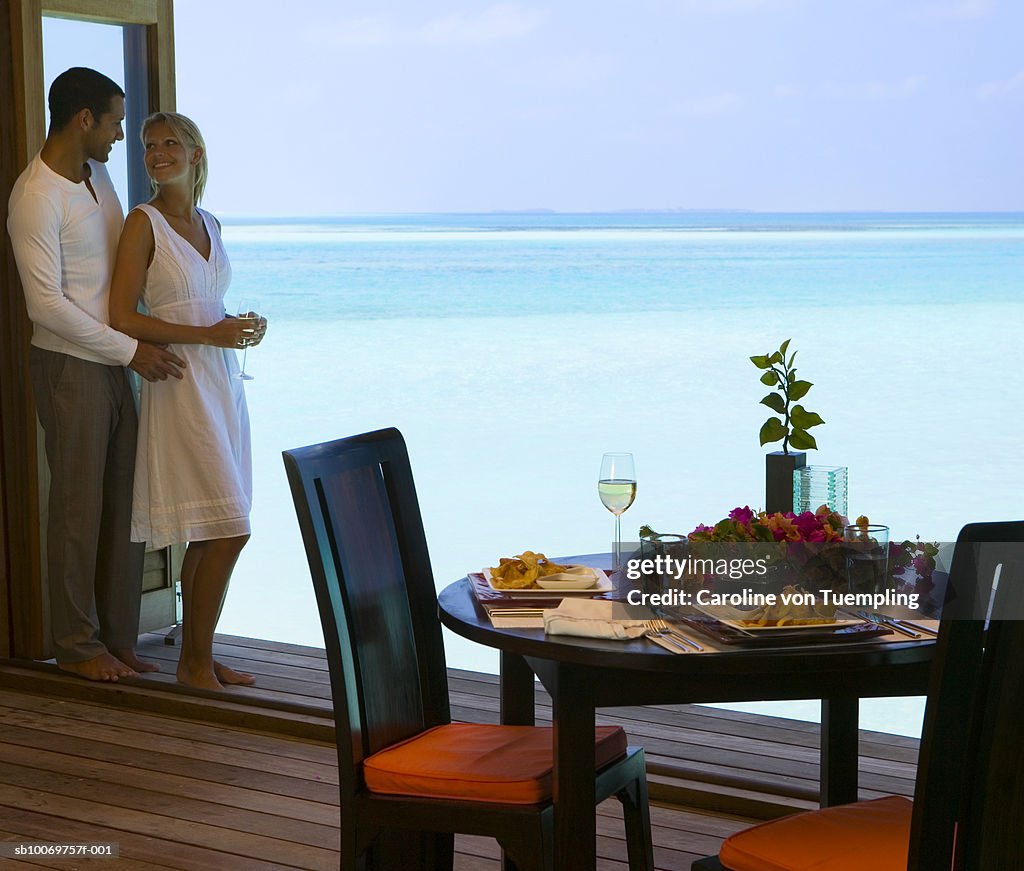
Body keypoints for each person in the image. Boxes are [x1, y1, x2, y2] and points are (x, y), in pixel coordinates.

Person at [7, 67, 186, 681]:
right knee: (78, 511)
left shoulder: (98, 176)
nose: (119, 137)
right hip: (71, 366)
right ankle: (77, 646)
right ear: (84, 120)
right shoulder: (34, 198)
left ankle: (118, 636)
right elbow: (47, 307)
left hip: (115, 357)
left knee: (126, 504)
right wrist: (130, 352)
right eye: (113, 123)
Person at [109, 111, 266, 691]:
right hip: (178, 384)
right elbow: (123, 316)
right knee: (229, 525)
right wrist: (209, 335)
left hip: (221, 383)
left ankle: (199, 652)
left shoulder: (210, 222)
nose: (156, 153)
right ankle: (195, 662)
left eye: (170, 143)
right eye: (150, 145)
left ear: (196, 154)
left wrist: (239, 326)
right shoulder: (141, 224)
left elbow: (204, 303)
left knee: (215, 526)